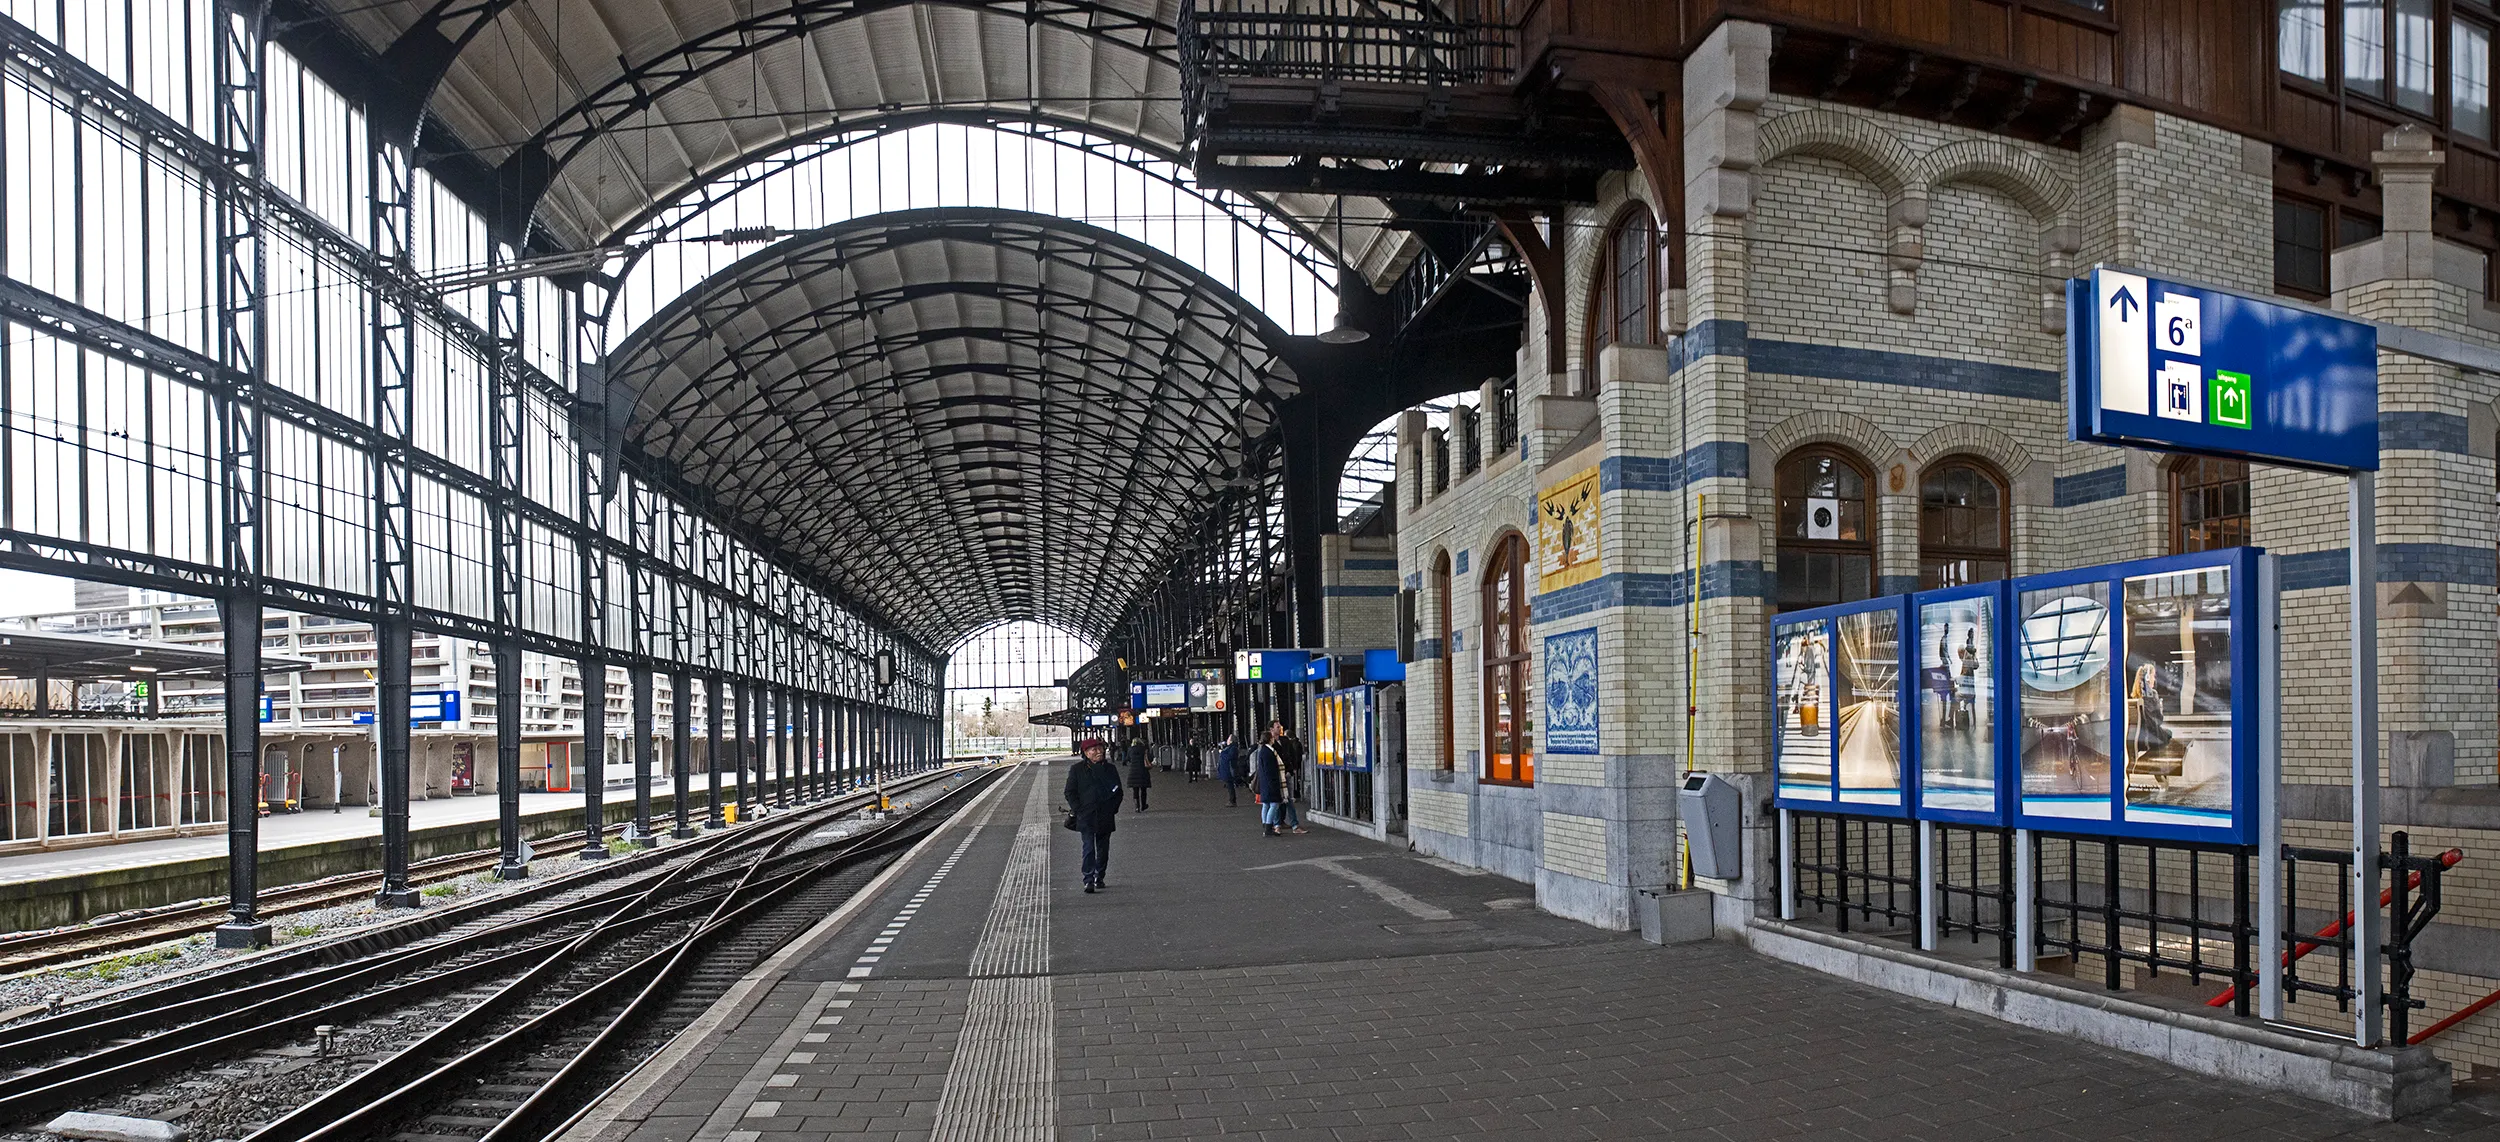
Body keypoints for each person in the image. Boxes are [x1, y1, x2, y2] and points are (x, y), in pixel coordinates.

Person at [1065, 739, 1121, 892]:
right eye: (1094, 750)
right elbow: (1070, 792)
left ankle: (1099, 875)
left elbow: (1118, 790)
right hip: (1086, 815)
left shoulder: (1110, 769)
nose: (1099, 752)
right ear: (1086, 753)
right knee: (1088, 848)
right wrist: (1078, 809)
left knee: (1103, 849)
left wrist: (1112, 809)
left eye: (1100, 749)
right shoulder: (1077, 770)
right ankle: (1088, 878)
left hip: (1105, 814)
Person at [1270, 721, 1308, 834]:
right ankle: (1278, 824)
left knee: (1289, 800)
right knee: (1277, 801)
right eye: (1277, 727)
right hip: (1277, 776)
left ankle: (1292, 824)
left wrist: (1292, 769)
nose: (1280, 728)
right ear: (1271, 729)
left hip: (1286, 773)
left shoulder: (1285, 740)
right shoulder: (1270, 743)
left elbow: (1292, 754)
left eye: (1280, 726)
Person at [1251, 730, 1284, 836]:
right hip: (1270, 782)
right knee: (1274, 804)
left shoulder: (1262, 751)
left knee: (1265, 804)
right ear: (1270, 739)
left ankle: (1265, 826)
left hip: (1264, 782)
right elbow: (1270, 770)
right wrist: (1274, 783)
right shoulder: (1269, 752)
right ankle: (1269, 827)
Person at [1125, 733, 1153, 811]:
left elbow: (1128, 759)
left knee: (1135, 790)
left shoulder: (1130, 749)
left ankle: (1137, 807)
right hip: (1143, 771)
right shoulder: (1144, 749)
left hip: (1133, 772)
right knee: (1143, 790)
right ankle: (1143, 805)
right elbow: (1150, 758)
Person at [1213, 734, 1241, 806]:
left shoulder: (1233, 748)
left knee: (1230, 785)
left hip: (1229, 770)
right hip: (1227, 769)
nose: (1227, 741)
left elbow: (1230, 757)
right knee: (1229, 785)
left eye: (1228, 739)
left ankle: (1232, 801)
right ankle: (1232, 800)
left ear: (1231, 740)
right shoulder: (1230, 748)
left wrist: (1222, 753)